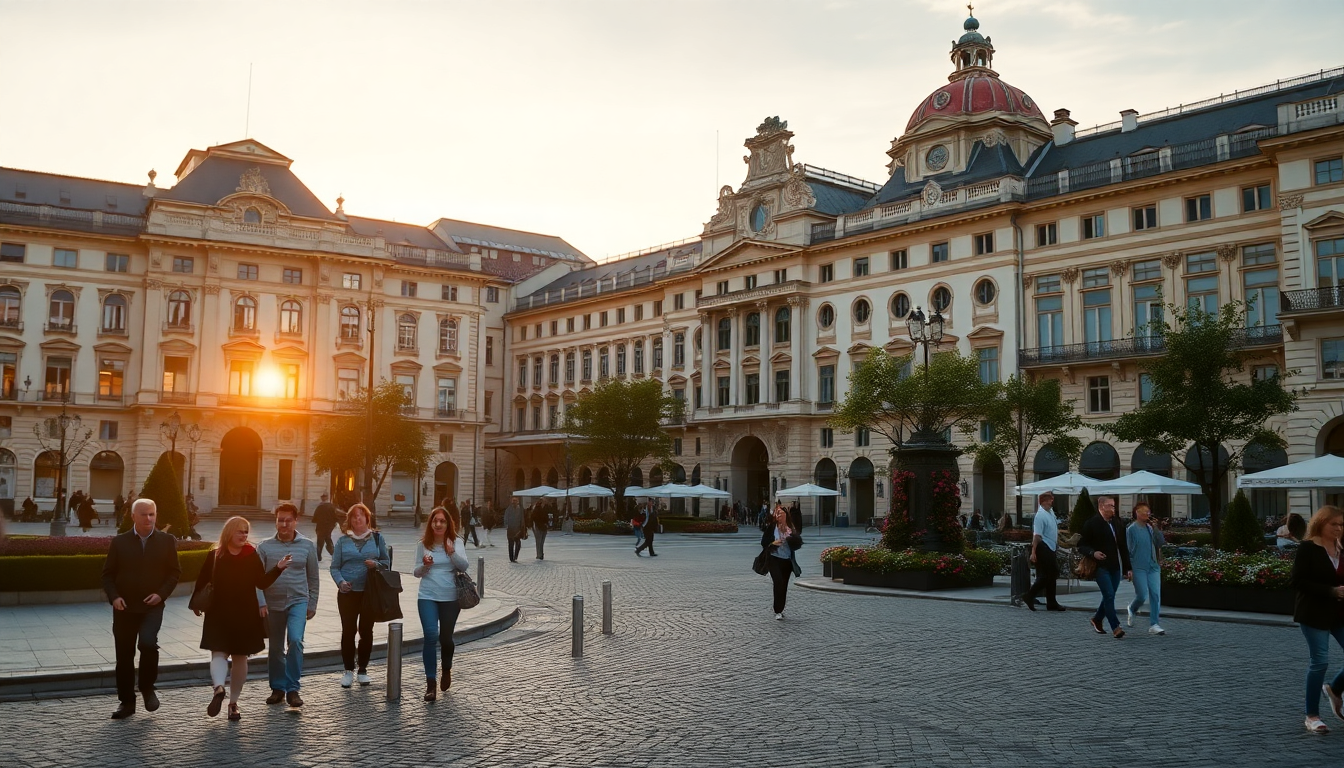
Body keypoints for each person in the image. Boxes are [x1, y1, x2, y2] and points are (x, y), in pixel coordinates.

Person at [191, 515, 292, 721]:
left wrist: (278, 568)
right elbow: (202, 581)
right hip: (223, 612)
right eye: (240, 531)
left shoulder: (248, 554)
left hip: (241, 613)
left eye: (246, 531)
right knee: (229, 655)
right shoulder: (217, 555)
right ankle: (230, 701)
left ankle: (221, 690)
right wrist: (197, 603)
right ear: (229, 532)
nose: (244, 535)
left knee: (227, 655)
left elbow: (261, 583)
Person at [101, 499, 182, 720]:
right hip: (124, 607)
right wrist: (114, 597)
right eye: (144, 515)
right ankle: (127, 702)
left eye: (152, 514)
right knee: (124, 656)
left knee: (147, 642)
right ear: (133, 516)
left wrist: (161, 594)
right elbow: (107, 574)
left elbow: (174, 573)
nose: (149, 519)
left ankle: (147, 687)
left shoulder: (166, 541)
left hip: (152, 606)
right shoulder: (120, 542)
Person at [256, 502, 320, 708]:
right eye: (280, 520)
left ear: (296, 521)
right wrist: (261, 602)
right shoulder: (265, 546)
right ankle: (277, 688)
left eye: (288, 520)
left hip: (298, 601)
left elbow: (313, 577)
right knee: (275, 648)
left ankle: (293, 688)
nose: (284, 524)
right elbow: (257, 579)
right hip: (272, 604)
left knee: (295, 640)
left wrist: (313, 603)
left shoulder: (307, 545)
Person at [1292, 505, 1344, 734]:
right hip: (1314, 612)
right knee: (1320, 661)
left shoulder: (1342, 547)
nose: (1339, 528)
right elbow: (1297, 581)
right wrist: (1331, 591)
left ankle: (1334, 689)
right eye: (1334, 524)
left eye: (1341, 524)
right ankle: (1312, 715)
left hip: (1340, 613)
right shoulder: (1308, 548)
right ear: (1321, 523)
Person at [330, 503, 391, 688]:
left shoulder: (377, 538)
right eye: (354, 516)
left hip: (369, 592)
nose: (358, 519)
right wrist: (341, 582)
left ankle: (363, 669)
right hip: (348, 593)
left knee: (366, 631)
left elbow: (386, 562)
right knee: (348, 631)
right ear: (350, 520)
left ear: (367, 518)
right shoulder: (342, 541)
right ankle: (348, 670)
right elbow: (334, 567)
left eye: (361, 516)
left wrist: (375, 564)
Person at [414, 507, 470, 701]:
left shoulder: (456, 542)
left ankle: (446, 668)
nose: (438, 524)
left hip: (450, 597)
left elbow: (464, 565)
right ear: (430, 523)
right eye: (435, 521)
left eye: (442, 521)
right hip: (427, 595)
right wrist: (424, 566)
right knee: (430, 635)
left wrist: (451, 552)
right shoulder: (423, 544)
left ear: (448, 524)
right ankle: (431, 684)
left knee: (446, 638)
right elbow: (415, 572)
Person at [1078, 496, 1132, 639]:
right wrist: (1092, 553)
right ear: (1101, 506)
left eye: (1114, 506)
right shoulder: (1092, 523)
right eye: (1110, 506)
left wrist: (1128, 568)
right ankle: (1115, 627)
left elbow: (1123, 547)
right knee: (1108, 595)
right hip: (1100, 567)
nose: (1113, 508)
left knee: (1110, 596)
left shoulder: (1117, 523)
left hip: (1115, 566)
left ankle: (1097, 619)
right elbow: (1081, 545)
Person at [1125, 502, 1167, 636]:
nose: (1146, 514)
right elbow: (1128, 549)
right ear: (1136, 513)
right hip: (1138, 566)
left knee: (1155, 594)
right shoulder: (1131, 529)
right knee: (1142, 595)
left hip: (1153, 566)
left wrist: (1156, 528)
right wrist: (1128, 568)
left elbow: (1161, 542)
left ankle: (1154, 624)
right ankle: (1132, 608)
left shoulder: (1150, 528)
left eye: (1148, 512)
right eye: (1143, 511)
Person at [1021, 493, 1065, 612]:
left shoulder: (1050, 513)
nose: (1052, 502)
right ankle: (1030, 595)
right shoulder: (1040, 516)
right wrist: (1033, 551)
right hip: (1043, 546)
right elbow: (1037, 536)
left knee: (1052, 574)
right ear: (1044, 501)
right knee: (1047, 574)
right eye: (1050, 500)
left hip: (1050, 546)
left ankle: (1051, 602)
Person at [762, 505, 803, 620]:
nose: (779, 515)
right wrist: (773, 543)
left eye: (781, 513)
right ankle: (777, 610)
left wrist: (792, 539)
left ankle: (780, 609)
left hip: (787, 561)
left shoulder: (791, 527)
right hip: (774, 559)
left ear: (786, 515)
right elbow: (763, 542)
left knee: (784, 585)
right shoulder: (771, 527)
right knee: (778, 581)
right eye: (777, 513)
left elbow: (797, 545)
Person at [312, 493, 339, 561]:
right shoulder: (331, 506)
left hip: (321, 527)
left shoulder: (319, 507)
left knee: (320, 542)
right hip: (329, 527)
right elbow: (335, 517)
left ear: (322, 498)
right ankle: (333, 554)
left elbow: (314, 518)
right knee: (328, 539)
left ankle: (319, 556)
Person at [503, 497, 525, 563]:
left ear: (517, 501)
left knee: (518, 543)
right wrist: (506, 525)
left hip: (517, 529)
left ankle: (515, 556)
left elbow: (522, 518)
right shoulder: (508, 509)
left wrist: (522, 526)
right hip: (510, 529)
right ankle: (511, 558)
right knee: (511, 544)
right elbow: (505, 518)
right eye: (513, 501)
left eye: (515, 501)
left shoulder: (520, 509)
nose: (514, 502)